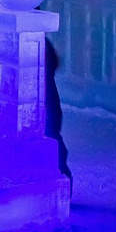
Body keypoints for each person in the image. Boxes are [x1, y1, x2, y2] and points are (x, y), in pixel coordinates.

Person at [43, 37, 72, 189]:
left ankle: (62, 185)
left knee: (52, 141)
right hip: (48, 105)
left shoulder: (40, 43)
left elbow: (51, 65)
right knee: (52, 141)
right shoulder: (42, 42)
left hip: (47, 106)